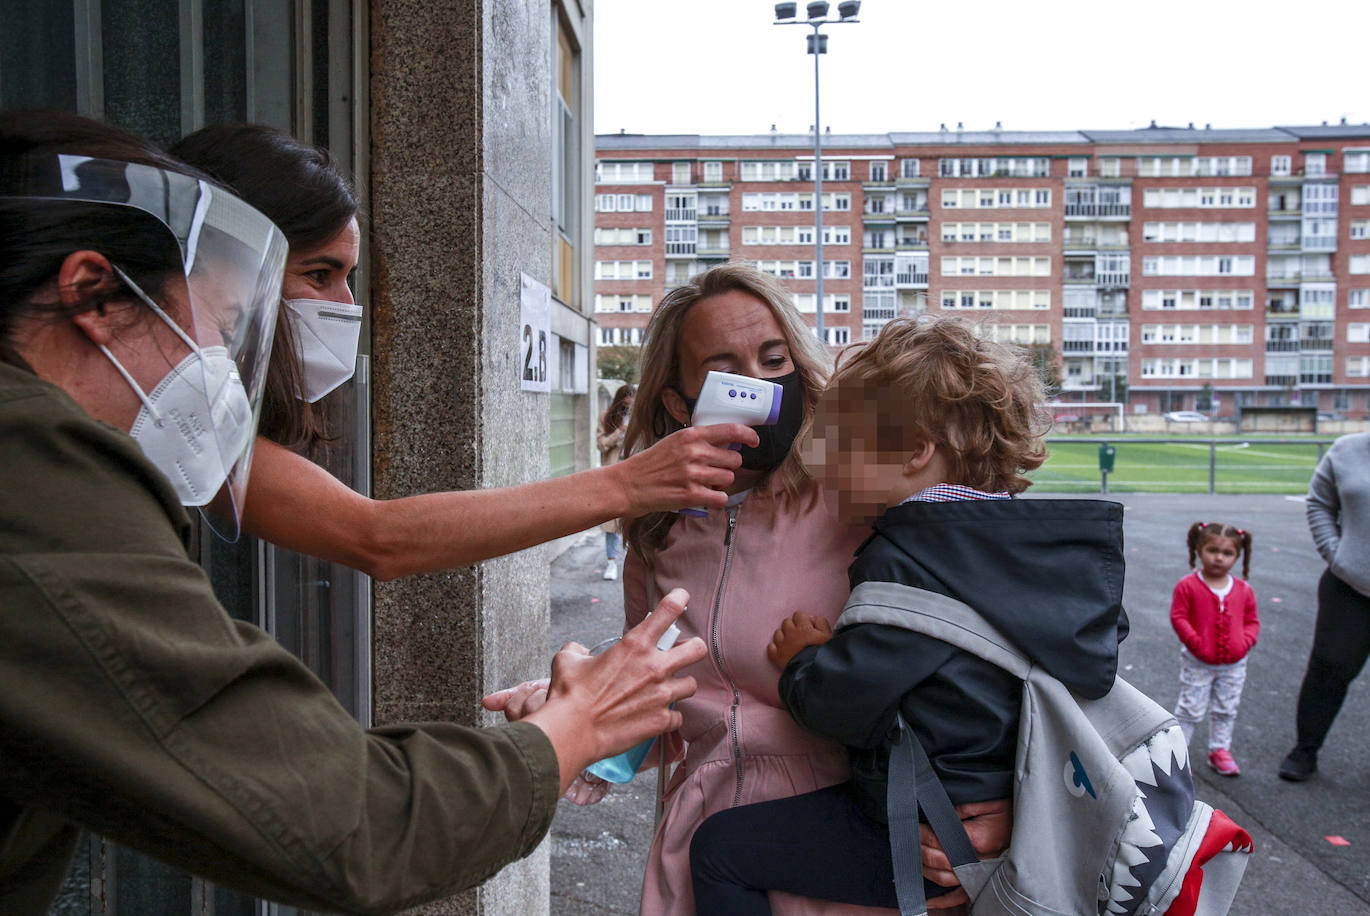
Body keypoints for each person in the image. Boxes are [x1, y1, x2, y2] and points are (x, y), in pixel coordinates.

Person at [0, 110, 708, 914]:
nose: (219, 366)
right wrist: (578, 723)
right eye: (229, 326)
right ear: (93, 290)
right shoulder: (38, 471)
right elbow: (351, 823)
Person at [486, 268, 1012, 916]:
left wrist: (1001, 804)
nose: (760, 385)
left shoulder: (867, 504)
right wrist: (568, 708)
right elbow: (658, 705)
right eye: (725, 367)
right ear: (680, 402)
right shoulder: (656, 530)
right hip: (703, 861)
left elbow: (1003, 655)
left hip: (858, 857)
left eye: (773, 359)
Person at [167, 123, 756, 576]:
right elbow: (378, 537)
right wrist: (626, 485)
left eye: (350, 277)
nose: (346, 305)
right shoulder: (168, 400)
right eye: (320, 274)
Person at [685, 317, 1127, 913]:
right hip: (1007, 815)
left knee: (719, 849)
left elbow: (843, 702)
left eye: (842, 441)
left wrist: (805, 660)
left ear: (917, 451)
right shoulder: (1026, 552)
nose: (824, 462)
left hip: (929, 830)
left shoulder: (909, 557)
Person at [1279, 429, 1370, 782]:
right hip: (1349, 587)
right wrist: (1337, 556)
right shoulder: (1347, 450)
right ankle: (1306, 750)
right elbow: (1319, 502)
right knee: (1328, 670)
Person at [1169, 521, 1258, 777]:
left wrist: (1245, 643)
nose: (1219, 558)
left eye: (1227, 553)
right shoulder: (1188, 585)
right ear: (1199, 550)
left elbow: (1252, 621)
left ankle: (1220, 750)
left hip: (1234, 665)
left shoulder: (1244, 590)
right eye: (1212, 550)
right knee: (1189, 709)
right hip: (1198, 663)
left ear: (1237, 557)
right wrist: (1196, 642)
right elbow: (1179, 617)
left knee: (1226, 708)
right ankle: (1178, 753)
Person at [598, 383, 635, 580]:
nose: (629, 409)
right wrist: (620, 432)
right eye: (626, 405)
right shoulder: (606, 417)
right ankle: (611, 562)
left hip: (634, 474)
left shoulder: (640, 418)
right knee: (611, 521)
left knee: (633, 520)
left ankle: (632, 561)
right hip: (613, 474)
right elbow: (601, 444)